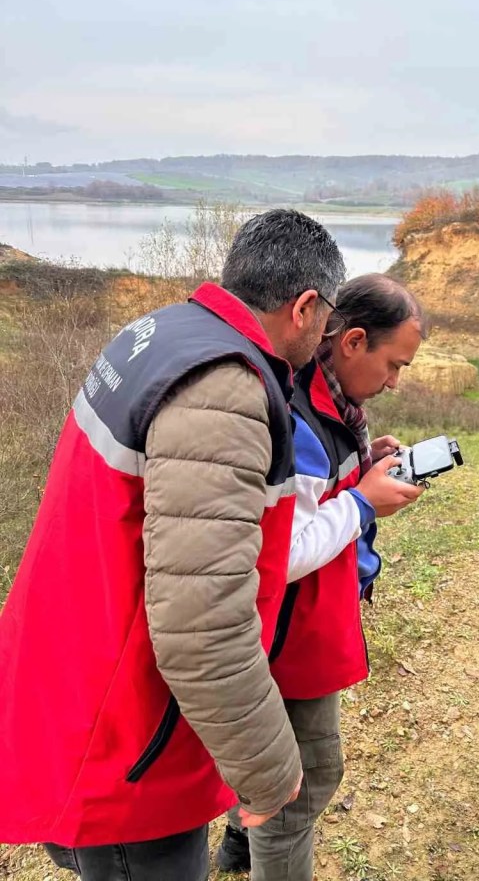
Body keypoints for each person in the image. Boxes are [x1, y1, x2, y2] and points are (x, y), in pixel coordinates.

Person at [0, 210, 346, 881]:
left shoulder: (162, 334)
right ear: (305, 307)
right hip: (128, 745)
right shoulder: (227, 388)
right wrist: (270, 772)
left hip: (74, 684)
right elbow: (202, 625)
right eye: (327, 319)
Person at [216, 273, 427, 880]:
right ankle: (260, 854)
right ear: (353, 340)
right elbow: (278, 555)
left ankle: (236, 845)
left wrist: (366, 462)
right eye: (393, 364)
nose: (394, 382)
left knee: (272, 762)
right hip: (288, 635)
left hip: (307, 623)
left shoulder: (331, 400)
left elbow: (314, 495)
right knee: (304, 782)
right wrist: (363, 503)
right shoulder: (302, 418)